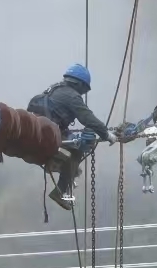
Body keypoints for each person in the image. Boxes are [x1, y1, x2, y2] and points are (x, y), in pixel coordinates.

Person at [26, 64, 117, 210]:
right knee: (79, 149)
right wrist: (106, 134)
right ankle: (60, 191)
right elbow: (87, 117)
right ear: (80, 84)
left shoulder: (55, 89)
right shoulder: (72, 96)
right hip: (48, 132)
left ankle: (68, 169)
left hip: (39, 128)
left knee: (74, 143)